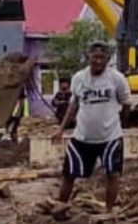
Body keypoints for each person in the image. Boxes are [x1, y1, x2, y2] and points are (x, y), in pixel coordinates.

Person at [54, 41, 132, 210]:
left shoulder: (117, 79)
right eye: (94, 57)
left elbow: (126, 104)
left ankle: (109, 211)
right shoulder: (79, 78)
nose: (97, 61)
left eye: (101, 57)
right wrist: (60, 129)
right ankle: (59, 209)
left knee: (113, 173)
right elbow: (73, 105)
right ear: (88, 57)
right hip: (82, 137)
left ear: (107, 59)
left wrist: (121, 124)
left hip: (110, 137)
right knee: (69, 174)